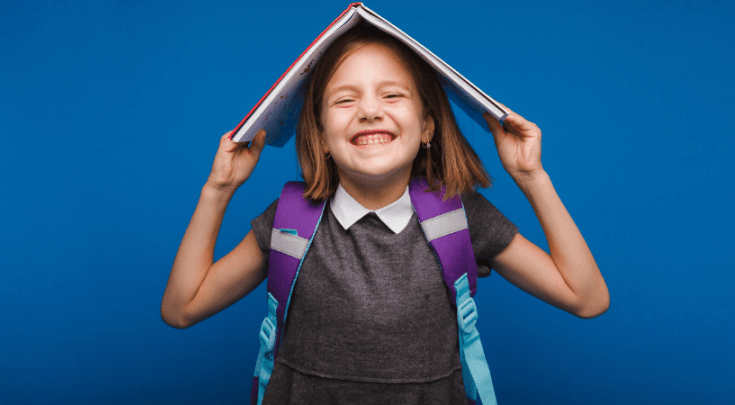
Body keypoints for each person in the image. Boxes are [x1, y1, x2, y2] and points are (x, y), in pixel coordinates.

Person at [161, 26, 609, 404]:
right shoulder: (289, 219)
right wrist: (217, 190)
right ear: (318, 135)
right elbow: (182, 309)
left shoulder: (459, 215)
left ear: (427, 125)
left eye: (391, 94)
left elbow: (586, 298)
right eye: (344, 100)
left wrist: (532, 177)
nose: (370, 111)